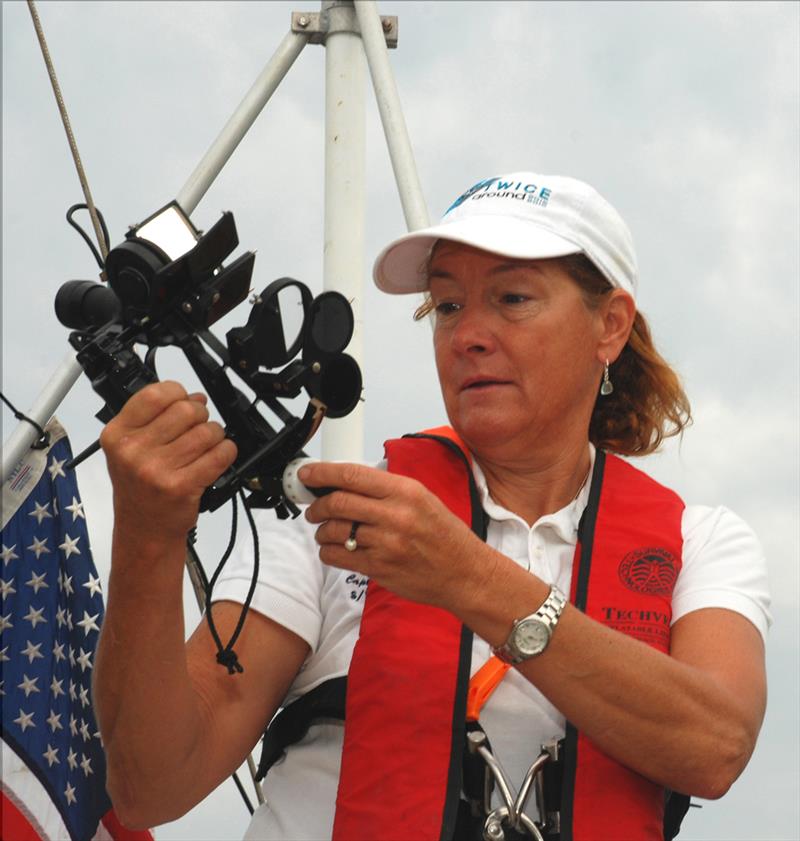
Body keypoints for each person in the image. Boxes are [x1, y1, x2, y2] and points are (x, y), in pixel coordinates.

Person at [94, 171, 770, 841]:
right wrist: (148, 535)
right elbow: (150, 785)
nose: (467, 333)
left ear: (611, 325)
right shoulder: (327, 527)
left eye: (510, 297)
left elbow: (716, 746)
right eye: (447, 306)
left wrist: (469, 576)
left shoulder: (702, 543)